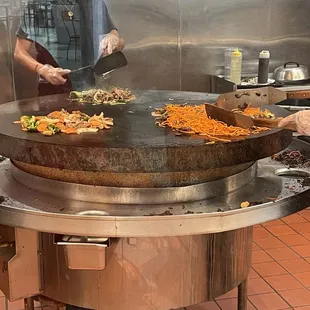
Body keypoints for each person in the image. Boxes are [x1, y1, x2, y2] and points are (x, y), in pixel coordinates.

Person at [14, 0, 125, 95]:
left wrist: (113, 38)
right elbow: (19, 52)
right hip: (53, 90)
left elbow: (118, 41)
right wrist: (42, 69)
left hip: (89, 89)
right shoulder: (38, 5)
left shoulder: (92, 3)